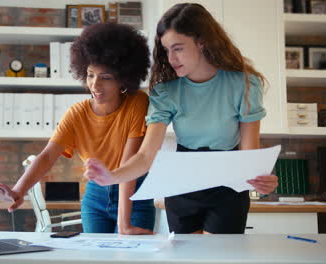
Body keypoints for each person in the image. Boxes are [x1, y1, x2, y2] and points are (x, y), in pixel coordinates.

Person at [84, 3, 278, 235]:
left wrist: (261, 179)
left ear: (202, 41)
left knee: (221, 256)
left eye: (178, 48)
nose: (171, 58)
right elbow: (146, 156)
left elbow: (249, 153)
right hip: (182, 186)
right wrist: (112, 177)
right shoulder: (166, 92)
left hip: (227, 188)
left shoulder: (244, 84)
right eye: (166, 50)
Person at [0, 23, 155, 235]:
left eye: (106, 77)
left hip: (133, 196)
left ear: (124, 78)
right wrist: (18, 191)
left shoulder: (137, 102)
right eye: (91, 75)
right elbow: (46, 156)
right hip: (95, 199)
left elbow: (128, 166)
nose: (95, 85)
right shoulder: (76, 113)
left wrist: (124, 224)